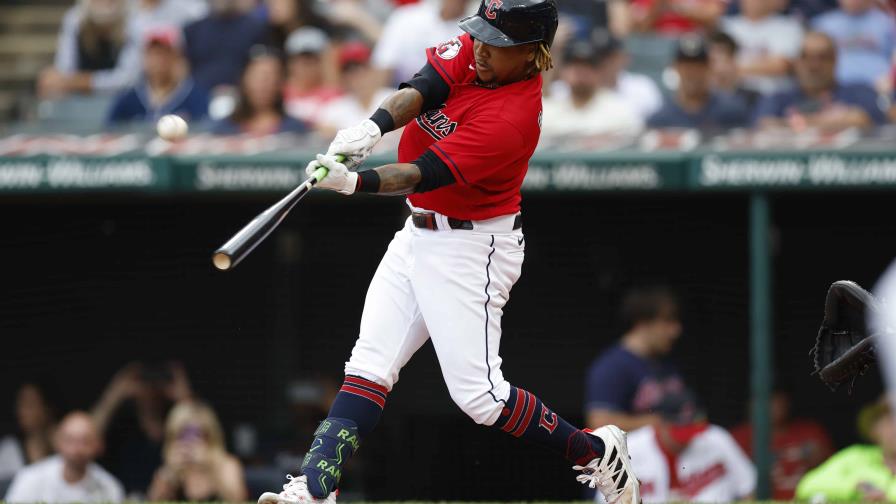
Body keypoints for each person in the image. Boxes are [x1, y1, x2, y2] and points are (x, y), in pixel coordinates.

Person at [256, 1, 640, 504]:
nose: (481, 50)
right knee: (369, 364)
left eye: (497, 45)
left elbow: (421, 173)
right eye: (480, 36)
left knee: (480, 398)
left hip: (473, 245)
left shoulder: (515, 118)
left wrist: (355, 182)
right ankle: (314, 486)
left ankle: (596, 452)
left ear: (533, 54)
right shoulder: (476, 51)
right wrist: (372, 127)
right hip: (417, 233)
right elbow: (422, 89)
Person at [605, 388, 756, 503]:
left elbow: (749, 489)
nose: (687, 439)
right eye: (681, 430)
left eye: (691, 429)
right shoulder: (628, 449)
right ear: (661, 424)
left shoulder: (715, 438)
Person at [584, 286, 684, 433]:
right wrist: (661, 422)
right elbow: (599, 424)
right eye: (667, 320)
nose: (676, 330)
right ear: (642, 322)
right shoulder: (613, 366)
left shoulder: (666, 363)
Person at [91, 362, 194, 494]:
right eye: (144, 384)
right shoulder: (122, 425)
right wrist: (115, 394)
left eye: (157, 384)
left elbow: (200, 431)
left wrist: (184, 397)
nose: (151, 391)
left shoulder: (176, 427)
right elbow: (85, 436)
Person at [755, 31, 888, 131]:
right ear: (797, 62)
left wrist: (791, 124)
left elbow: (864, 120)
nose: (814, 65)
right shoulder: (778, 98)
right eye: (806, 57)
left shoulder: (859, 91)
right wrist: (836, 121)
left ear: (835, 61)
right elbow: (764, 125)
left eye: (822, 57)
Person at [729, 391, 833, 500]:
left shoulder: (809, 431)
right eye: (761, 400)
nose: (768, 406)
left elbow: (833, 471)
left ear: (786, 402)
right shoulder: (737, 438)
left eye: (774, 399)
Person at [4, 412, 124, 503]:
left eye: (85, 441)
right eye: (70, 440)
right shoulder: (30, 478)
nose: (77, 449)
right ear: (58, 442)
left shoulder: (109, 487)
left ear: (99, 445)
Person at [796, 396, 896, 501]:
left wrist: (887, 496)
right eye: (888, 423)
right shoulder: (856, 456)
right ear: (873, 431)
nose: (894, 429)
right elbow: (807, 486)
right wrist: (855, 488)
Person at [541, 38, 643, 138]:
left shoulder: (620, 110)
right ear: (563, 71)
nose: (581, 72)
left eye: (588, 65)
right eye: (574, 66)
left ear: (600, 71)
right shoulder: (548, 109)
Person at [106, 27, 210, 125]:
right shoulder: (129, 97)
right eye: (152, 54)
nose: (157, 61)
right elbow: (109, 130)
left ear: (176, 57)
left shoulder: (195, 96)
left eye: (163, 54)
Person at [38, 0, 141, 98]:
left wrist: (83, 82)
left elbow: (127, 79)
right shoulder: (75, 19)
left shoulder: (133, 21)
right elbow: (64, 69)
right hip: (78, 102)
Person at [148, 401, 247, 502]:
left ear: (210, 437)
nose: (189, 443)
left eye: (196, 435)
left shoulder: (226, 465)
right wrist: (170, 472)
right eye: (181, 436)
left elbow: (238, 499)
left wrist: (209, 467)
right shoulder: (172, 470)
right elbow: (153, 500)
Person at [647, 36, 751, 131]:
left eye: (699, 66)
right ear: (675, 67)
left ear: (709, 67)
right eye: (686, 66)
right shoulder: (661, 117)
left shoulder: (731, 110)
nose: (692, 73)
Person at [212, 47, 309, 135]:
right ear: (243, 80)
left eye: (270, 77)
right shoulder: (224, 128)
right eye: (257, 77)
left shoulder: (294, 128)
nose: (263, 85)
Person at [371, 0, 469, 85]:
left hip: (443, 96)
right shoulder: (408, 16)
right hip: (397, 88)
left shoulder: (470, 31)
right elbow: (383, 64)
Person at [721, 0, 804, 95]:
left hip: (770, 94)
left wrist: (732, 68)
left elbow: (780, 65)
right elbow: (716, 64)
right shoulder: (725, 26)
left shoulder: (789, 26)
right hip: (730, 94)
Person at [183, 0, 268, 93]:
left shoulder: (255, 28)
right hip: (200, 94)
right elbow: (183, 68)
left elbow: (260, 66)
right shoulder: (193, 30)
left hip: (241, 95)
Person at [812, 0, 896, 90]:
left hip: (879, 86)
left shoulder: (887, 23)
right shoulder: (822, 25)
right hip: (835, 88)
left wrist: (891, 79)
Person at [318, 42, 395, 135]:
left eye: (362, 68)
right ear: (344, 76)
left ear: (372, 70)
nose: (357, 76)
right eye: (351, 71)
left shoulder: (393, 99)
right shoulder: (334, 109)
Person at [282, 27, 343, 127]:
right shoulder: (278, 94)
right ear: (290, 63)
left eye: (312, 59)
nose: (306, 65)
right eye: (300, 59)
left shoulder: (335, 96)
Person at [0, 383, 56, 483]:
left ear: (47, 408)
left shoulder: (63, 447)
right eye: (20, 405)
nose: (22, 411)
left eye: (30, 404)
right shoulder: (9, 449)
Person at [707, 31, 761, 109]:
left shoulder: (754, 98)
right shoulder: (697, 100)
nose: (714, 67)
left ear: (733, 61)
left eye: (716, 60)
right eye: (710, 61)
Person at [629, 0, 726, 35]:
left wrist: (677, 8)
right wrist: (658, 6)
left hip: (692, 42)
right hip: (656, 45)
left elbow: (713, 17)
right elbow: (640, 29)